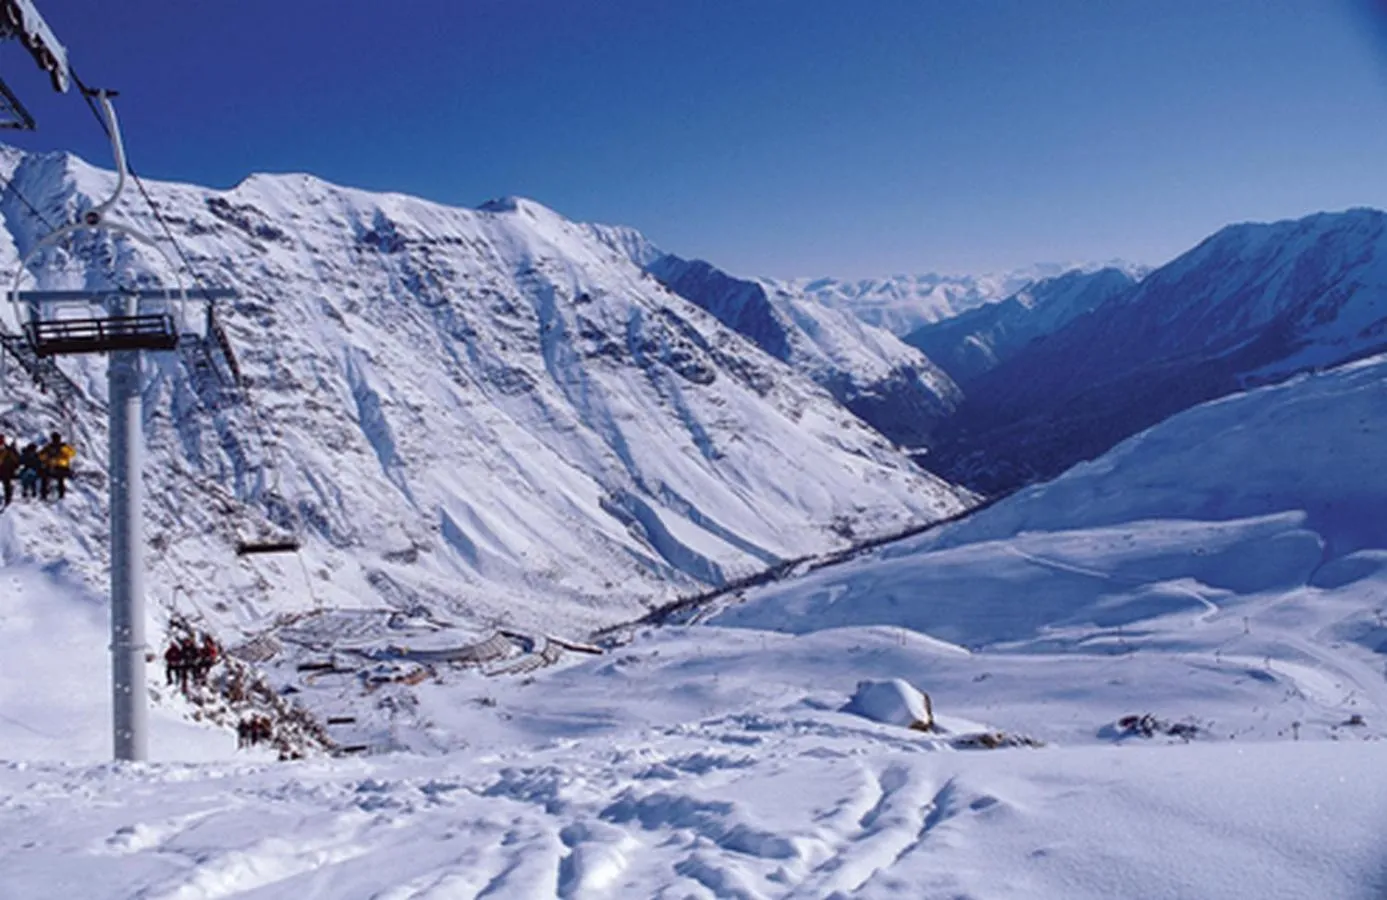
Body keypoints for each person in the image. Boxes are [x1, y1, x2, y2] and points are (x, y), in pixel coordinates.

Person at [38, 432, 75, 501]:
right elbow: (41, 456)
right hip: (56, 467)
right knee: (50, 478)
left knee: (50, 478)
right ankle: (48, 495)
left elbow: (72, 453)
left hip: (59, 467)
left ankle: (45, 495)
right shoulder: (50, 447)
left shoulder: (59, 447)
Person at [0, 436, 18, 509]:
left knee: (6, 484)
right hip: (5, 469)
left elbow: (15, 460)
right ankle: (8, 498)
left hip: (6, 469)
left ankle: (8, 499)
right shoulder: (9, 450)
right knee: (6, 484)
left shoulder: (9, 450)